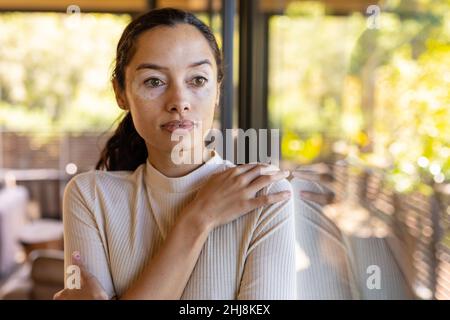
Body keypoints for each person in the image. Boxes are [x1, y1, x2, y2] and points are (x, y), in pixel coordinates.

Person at [54, 8, 296, 300]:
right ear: (120, 93)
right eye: (154, 81)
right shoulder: (88, 196)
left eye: (197, 80)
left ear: (218, 90)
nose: (179, 101)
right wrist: (199, 216)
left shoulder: (263, 196)